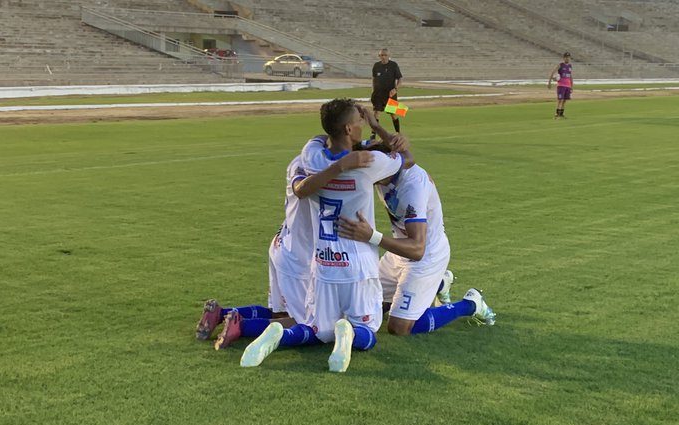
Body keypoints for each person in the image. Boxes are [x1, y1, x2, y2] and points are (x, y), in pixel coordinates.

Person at [240, 98, 414, 372]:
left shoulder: (312, 156)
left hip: (324, 263)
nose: (361, 127)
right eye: (358, 123)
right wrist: (380, 129)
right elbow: (407, 159)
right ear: (348, 129)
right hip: (358, 262)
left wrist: (340, 160)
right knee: (368, 328)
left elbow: (307, 174)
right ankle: (351, 334)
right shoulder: (369, 164)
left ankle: (281, 335)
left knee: (318, 330)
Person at [195, 150, 373, 348]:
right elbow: (304, 189)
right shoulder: (324, 168)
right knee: (308, 324)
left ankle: (222, 313)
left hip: (283, 243)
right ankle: (242, 327)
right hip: (299, 257)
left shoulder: (302, 160)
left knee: (281, 314)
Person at [337, 142, 496, 336]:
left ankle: (470, 304)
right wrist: (375, 123)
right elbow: (389, 148)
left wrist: (371, 236)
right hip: (398, 253)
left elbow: (417, 248)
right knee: (364, 310)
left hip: (425, 257)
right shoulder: (390, 169)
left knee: (399, 327)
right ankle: (439, 284)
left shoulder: (412, 189)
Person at [371, 48, 403, 137]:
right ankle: (373, 134)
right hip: (378, 93)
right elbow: (374, 79)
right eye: (381, 55)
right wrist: (373, 90)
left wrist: (396, 89)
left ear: (389, 56)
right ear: (379, 56)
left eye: (385, 55)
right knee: (376, 113)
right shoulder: (376, 65)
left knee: (393, 114)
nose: (383, 57)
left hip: (390, 94)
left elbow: (400, 79)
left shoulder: (393, 65)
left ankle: (398, 133)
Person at [548, 52, 573, 119]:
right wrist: (549, 82)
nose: (567, 58)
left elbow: (570, 76)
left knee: (564, 100)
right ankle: (556, 114)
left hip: (568, 86)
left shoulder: (570, 66)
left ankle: (561, 114)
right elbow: (553, 72)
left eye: (568, 57)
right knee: (560, 100)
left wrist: (571, 86)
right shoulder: (560, 65)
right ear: (563, 58)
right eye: (566, 57)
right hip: (561, 85)